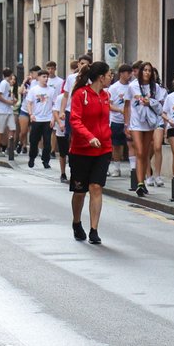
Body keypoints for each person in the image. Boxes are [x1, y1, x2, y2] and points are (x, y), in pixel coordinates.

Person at [68, 61, 114, 245]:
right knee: (80, 192)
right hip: (81, 150)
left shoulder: (106, 95)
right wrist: (89, 137)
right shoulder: (80, 94)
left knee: (96, 187)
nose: (111, 78)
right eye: (109, 75)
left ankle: (94, 230)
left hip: (103, 149)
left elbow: (105, 121)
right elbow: (75, 120)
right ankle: (76, 222)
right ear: (101, 77)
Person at [125, 62, 166, 197]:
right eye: (145, 70)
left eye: (149, 70)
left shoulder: (156, 87)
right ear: (141, 72)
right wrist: (126, 124)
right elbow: (127, 105)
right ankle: (140, 183)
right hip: (136, 122)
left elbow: (160, 104)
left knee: (145, 153)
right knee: (140, 151)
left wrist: (151, 102)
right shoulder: (133, 86)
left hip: (149, 122)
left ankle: (142, 181)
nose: (147, 72)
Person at [107, 64, 133, 178]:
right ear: (121, 74)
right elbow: (109, 104)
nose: (130, 75)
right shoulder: (114, 88)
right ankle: (117, 168)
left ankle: (133, 168)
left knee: (131, 144)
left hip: (130, 121)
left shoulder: (132, 87)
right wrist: (120, 110)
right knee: (116, 145)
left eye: (131, 73)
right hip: (116, 120)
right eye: (128, 73)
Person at [26, 70, 55, 169]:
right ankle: (32, 157)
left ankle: (46, 160)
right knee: (34, 141)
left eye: (47, 77)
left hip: (47, 119)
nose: (46, 79)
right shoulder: (33, 90)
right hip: (36, 119)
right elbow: (29, 103)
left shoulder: (51, 90)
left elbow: (55, 105)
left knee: (47, 142)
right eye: (43, 77)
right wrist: (31, 114)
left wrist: (53, 118)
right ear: (38, 78)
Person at [0, 70, 19, 158]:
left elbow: (8, 95)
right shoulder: (4, 83)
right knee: (0, 130)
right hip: (2, 111)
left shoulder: (8, 84)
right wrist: (8, 102)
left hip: (9, 110)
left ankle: (10, 148)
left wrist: (13, 100)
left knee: (13, 128)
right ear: (10, 75)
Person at [53, 87, 70, 182]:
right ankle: (63, 173)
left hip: (73, 128)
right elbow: (55, 111)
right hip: (62, 128)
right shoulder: (60, 97)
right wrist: (59, 123)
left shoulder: (78, 96)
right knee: (63, 152)